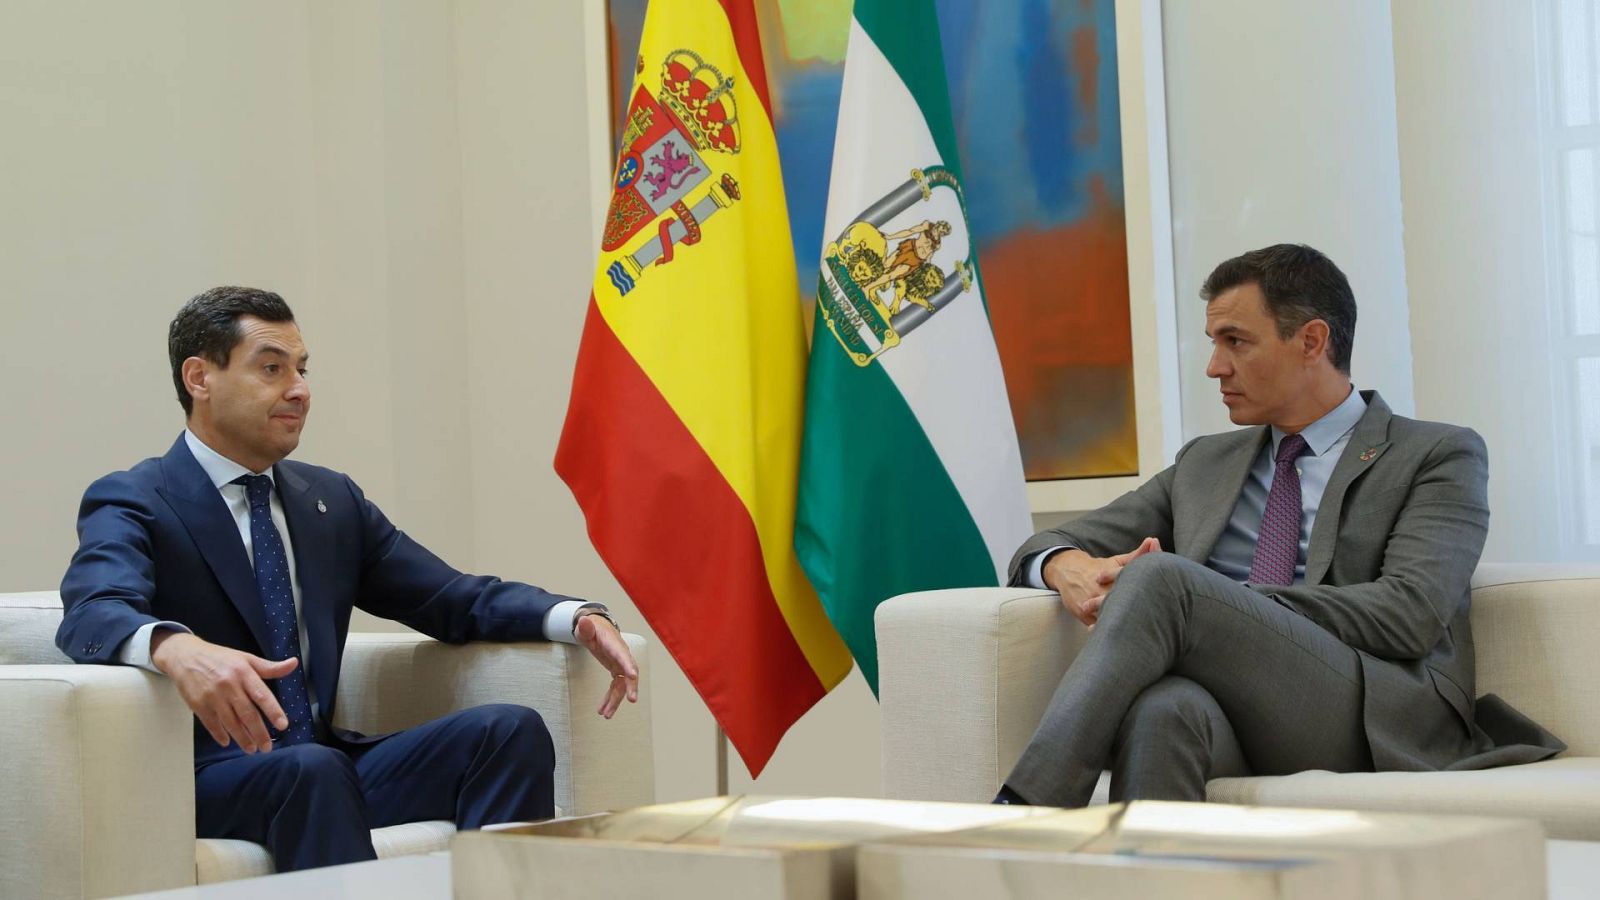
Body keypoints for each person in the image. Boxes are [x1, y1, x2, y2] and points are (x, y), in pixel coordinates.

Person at [57, 286, 641, 871]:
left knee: (507, 733)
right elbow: (93, 610)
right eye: (271, 368)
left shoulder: (328, 501)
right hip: (203, 777)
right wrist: (175, 646)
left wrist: (574, 616)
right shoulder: (136, 497)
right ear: (199, 377)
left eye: (302, 369)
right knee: (311, 769)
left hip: (321, 764)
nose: (299, 390)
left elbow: (447, 596)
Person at [994, 244, 1563, 808]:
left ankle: (1026, 814)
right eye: (1214, 343)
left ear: (1312, 341)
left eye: (1235, 341)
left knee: (1164, 582)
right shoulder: (1205, 463)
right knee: (1163, 710)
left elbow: (1408, 614)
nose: (1215, 366)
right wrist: (1066, 567)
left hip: (1371, 708)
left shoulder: (1437, 453)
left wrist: (1225, 607)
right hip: (1239, 712)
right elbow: (1042, 544)